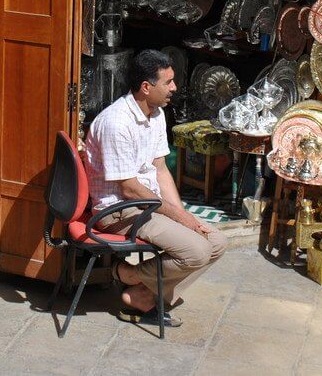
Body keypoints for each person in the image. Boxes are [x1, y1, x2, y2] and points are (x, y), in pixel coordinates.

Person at [83, 49, 227, 327]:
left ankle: (142, 294)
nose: (174, 88)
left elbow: (160, 169)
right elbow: (130, 189)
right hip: (118, 211)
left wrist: (183, 215)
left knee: (217, 243)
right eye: (168, 82)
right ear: (146, 87)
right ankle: (126, 274)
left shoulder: (157, 113)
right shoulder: (117, 123)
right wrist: (180, 218)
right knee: (196, 251)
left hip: (147, 206)